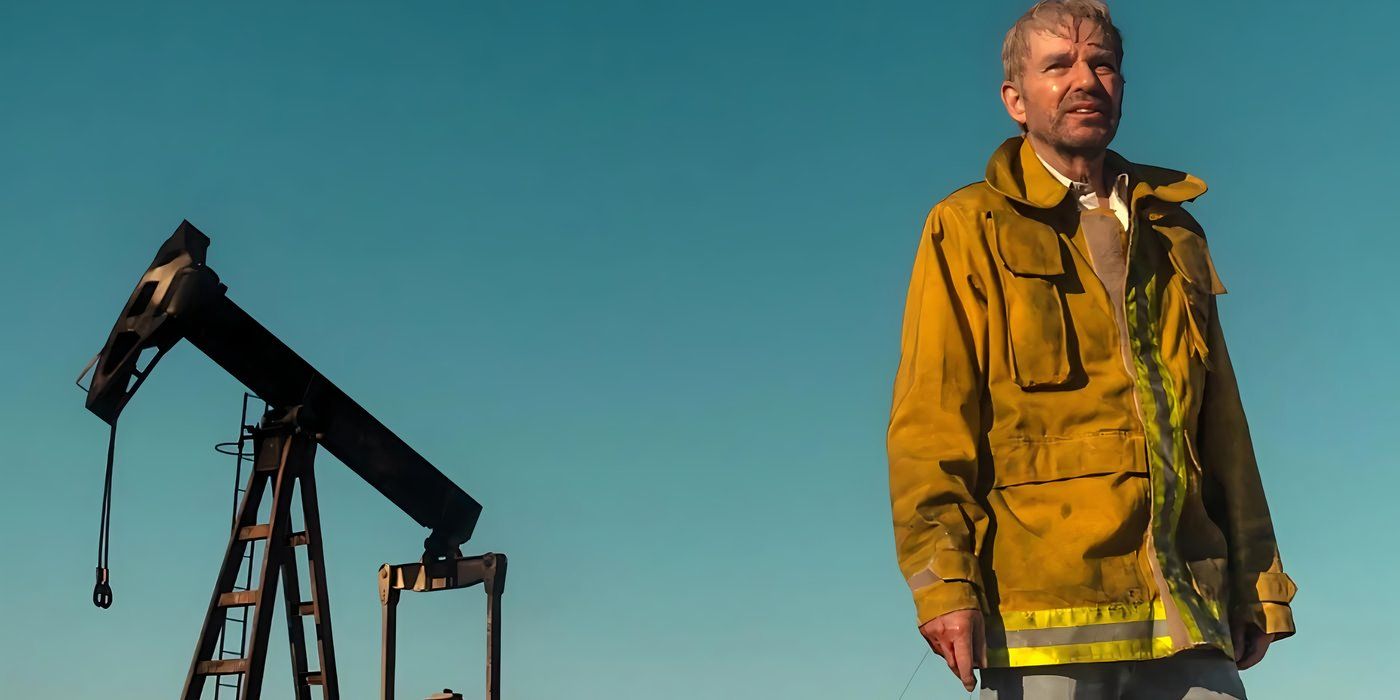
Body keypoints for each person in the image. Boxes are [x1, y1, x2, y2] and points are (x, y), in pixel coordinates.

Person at [885, 2, 1297, 697]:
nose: (1087, 80)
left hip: (1187, 604)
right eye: (1059, 65)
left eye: (1103, 63)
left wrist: (1261, 578)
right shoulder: (967, 227)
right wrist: (944, 583)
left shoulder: (1173, 234)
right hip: (1045, 613)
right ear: (1015, 99)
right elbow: (932, 423)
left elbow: (1223, 424)